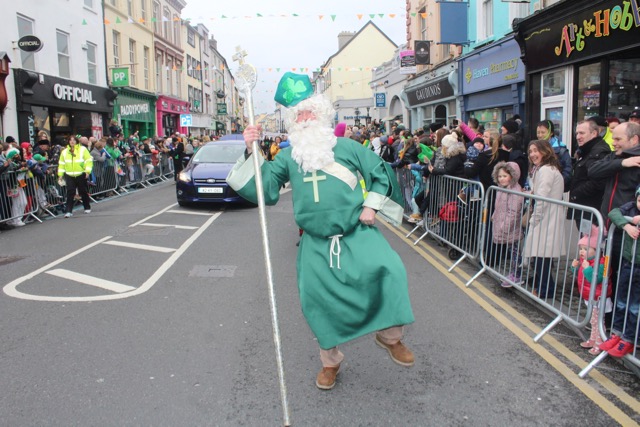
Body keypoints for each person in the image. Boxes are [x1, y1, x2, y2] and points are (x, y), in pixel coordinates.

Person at [227, 72, 414, 390]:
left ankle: (390, 337)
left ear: (323, 113)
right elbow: (266, 189)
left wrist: (371, 206)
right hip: (315, 243)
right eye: (298, 114)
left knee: (390, 271)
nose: (304, 117)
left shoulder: (348, 148)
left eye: (309, 110)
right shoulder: (288, 156)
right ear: (293, 122)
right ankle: (331, 363)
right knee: (317, 303)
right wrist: (251, 150)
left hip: (357, 233)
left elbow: (381, 174)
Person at [523, 140, 565, 299]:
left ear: (545, 151)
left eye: (535, 150)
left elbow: (542, 198)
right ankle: (545, 288)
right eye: (530, 151)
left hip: (546, 217)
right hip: (548, 215)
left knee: (541, 256)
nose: (532, 154)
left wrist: (534, 220)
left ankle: (545, 290)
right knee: (542, 256)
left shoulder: (546, 170)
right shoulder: (545, 169)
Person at [602, 186, 640, 357]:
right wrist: (626, 225)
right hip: (627, 262)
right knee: (621, 299)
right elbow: (614, 212)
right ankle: (616, 333)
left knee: (634, 305)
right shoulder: (631, 207)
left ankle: (630, 339)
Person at [571, 225, 610, 355]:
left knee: (599, 321)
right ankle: (593, 340)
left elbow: (596, 279)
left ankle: (600, 344)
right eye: (581, 248)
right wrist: (575, 268)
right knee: (593, 321)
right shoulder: (585, 260)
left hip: (598, 297)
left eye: (586, 249)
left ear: (595, 249)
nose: (582, 251)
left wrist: (587, 268)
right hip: (589, 295)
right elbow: (580, 276)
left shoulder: (601, 262)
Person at [568, 120, 611, 229]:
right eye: (577, 133)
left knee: (587, 244)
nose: (578, 137)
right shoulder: (586, 151)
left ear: (594, 133)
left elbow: (598, 182)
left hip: (591, 209)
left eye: (582, 133)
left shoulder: (599, 152)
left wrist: (576, 193)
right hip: (584, 208)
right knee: (584, 243)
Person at [491, 161, 524, 288]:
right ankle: (513, 273)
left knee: (515, 252)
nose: (502, 179)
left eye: (505, 176)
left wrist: (504, 226)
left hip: (510, 228)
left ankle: (516, 275)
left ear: (513, 176)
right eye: (500, 176)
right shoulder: (502, 189)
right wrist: (494, 216)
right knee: (512, 252)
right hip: (503, 224)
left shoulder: (515, 191)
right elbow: (498, 206)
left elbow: (514, 212)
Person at [57, 134, 93, 218]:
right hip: (69, 174)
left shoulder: (83, 149)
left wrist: (87, 171)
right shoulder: (64, 151)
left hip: (80, 173)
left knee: (83, 191)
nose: (72, 141)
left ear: (76, 141)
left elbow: (88, 160)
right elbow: (61, 164)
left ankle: (87, 207)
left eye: (74, 140)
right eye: (70, 140)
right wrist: (60, 175)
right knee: (70, 192)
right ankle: (68, 211)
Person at [536, 120, 572, 191]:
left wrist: (556, 184)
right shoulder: (535, 148)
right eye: (538, 132)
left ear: (551, 133)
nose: (540, 135)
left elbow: (568, 171)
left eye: (543, 132)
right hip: (538, 188)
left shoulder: (561, 150)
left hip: (554, 190)